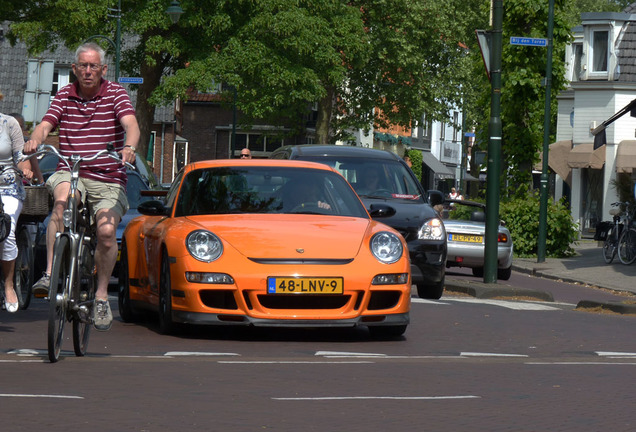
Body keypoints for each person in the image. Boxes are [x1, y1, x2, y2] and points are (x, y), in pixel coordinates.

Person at [25, 42, 140, 331]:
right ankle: (50, 275)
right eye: (82, 66)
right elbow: (45, 125)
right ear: (75, 69)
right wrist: (35, 139)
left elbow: (131, 124)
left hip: (107, 176)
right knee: (61, 205)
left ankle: (101, 296)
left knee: (105, 232)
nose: (88, 71)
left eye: (93, 66)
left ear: (103, 69)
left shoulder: (116, 93)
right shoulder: (64, 94)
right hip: (71, 169)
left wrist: (129, 147)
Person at [0, 112, 37, 313]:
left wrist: (26, 169)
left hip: (8, 189)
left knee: (7, 229)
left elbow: (21, 157)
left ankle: (8, 285)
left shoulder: (9, 123)